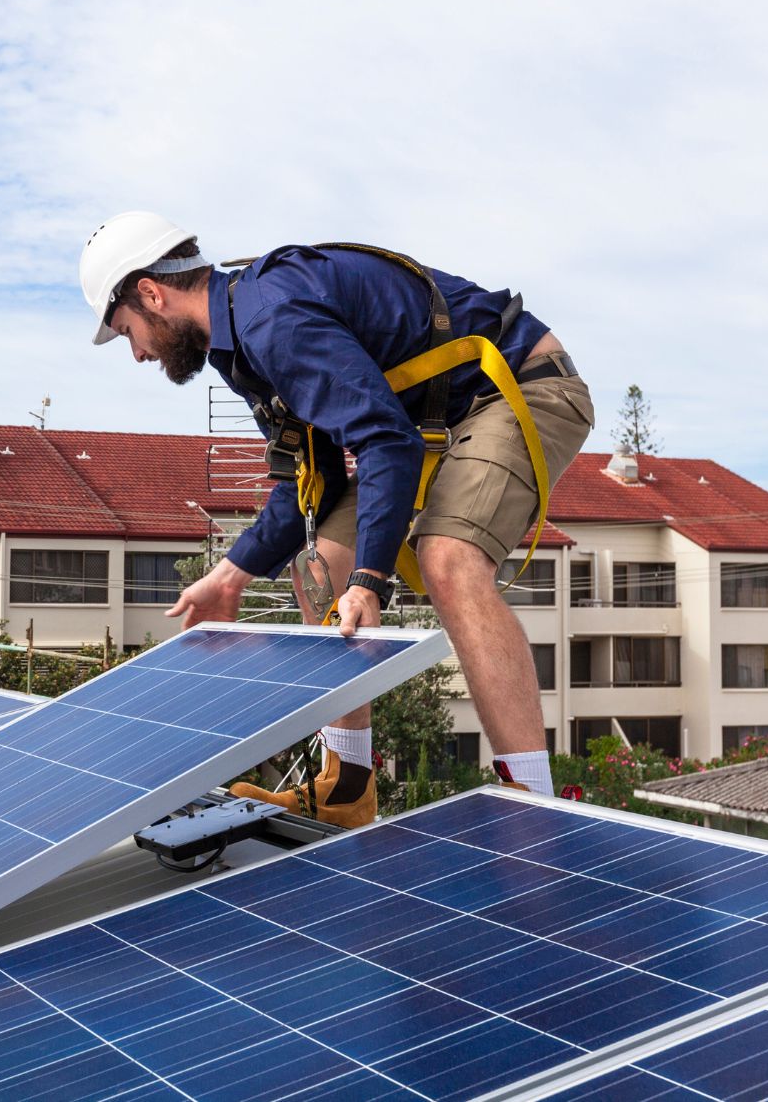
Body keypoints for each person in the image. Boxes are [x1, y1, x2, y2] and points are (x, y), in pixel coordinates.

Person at [79, 212, 593, 826]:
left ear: (151, 293)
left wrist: (370, 580)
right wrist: (231, 576)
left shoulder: (271, 318)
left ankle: (531, 806)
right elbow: (312, 482)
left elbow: (386, 442)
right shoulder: (240, 343)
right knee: (321, 565)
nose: (137, 353)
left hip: (518, 386)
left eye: (128, 330)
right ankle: (347, 789)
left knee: (447, 560)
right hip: (429, 422)